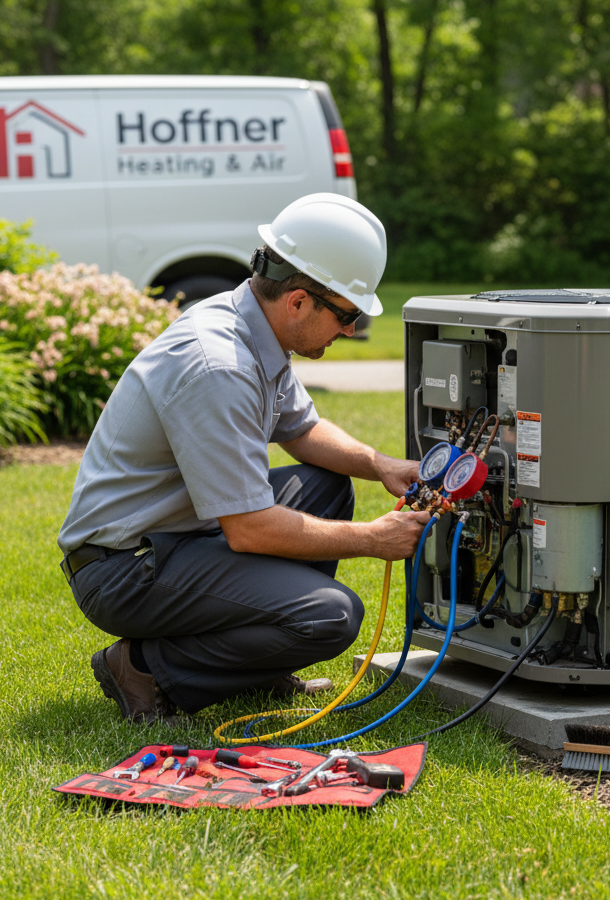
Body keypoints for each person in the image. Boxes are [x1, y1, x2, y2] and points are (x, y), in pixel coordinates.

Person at [57, 193, 430, 724]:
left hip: (178, 537)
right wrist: (375, 539)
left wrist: (380, 464)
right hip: (124, 568)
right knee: (332, 616)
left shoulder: (253, 326)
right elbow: (250, 530)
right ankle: (141, 667)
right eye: (346, 315)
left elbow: (301, 430)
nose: (350, 330)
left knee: (326, 485)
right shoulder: (218, 365)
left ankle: (261, 664)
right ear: (299, 301)